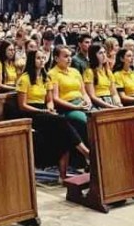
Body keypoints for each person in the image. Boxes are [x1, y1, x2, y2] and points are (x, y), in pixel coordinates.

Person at [16, 50, 89, 182]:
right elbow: (22, 105)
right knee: (61, 121)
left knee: (64, 134)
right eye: (38, 58)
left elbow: (49, 100)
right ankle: (86, 152)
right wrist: (43, 111)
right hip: (31, 112)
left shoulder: (46, 78)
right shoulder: (24, 78)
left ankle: (63, 176)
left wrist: (49, 108)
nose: (41, 60)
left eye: (43, 58)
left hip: (45, 111)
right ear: (32, 60)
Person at [48, 45, 91, 140]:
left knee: (100, 117)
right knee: (87, 121)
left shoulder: (75, 71)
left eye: (70, 56)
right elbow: (55, 98)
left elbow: (84, 93)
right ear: (56, 58)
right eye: (65, 56)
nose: (69, 59)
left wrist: (88, 102)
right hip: (67, 108)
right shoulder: (52, 74)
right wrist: (76, 107)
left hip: (82, 103)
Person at [84, 42, 121, 108]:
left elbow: (114, 93)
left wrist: (118, 103)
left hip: (110, 100)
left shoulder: (108, 72)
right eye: (100, 53)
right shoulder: (89, 72)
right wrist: (109, 106)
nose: (104, 55)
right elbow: (92, 96)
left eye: (104, 52)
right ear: (93, 56)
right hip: (98, 102)